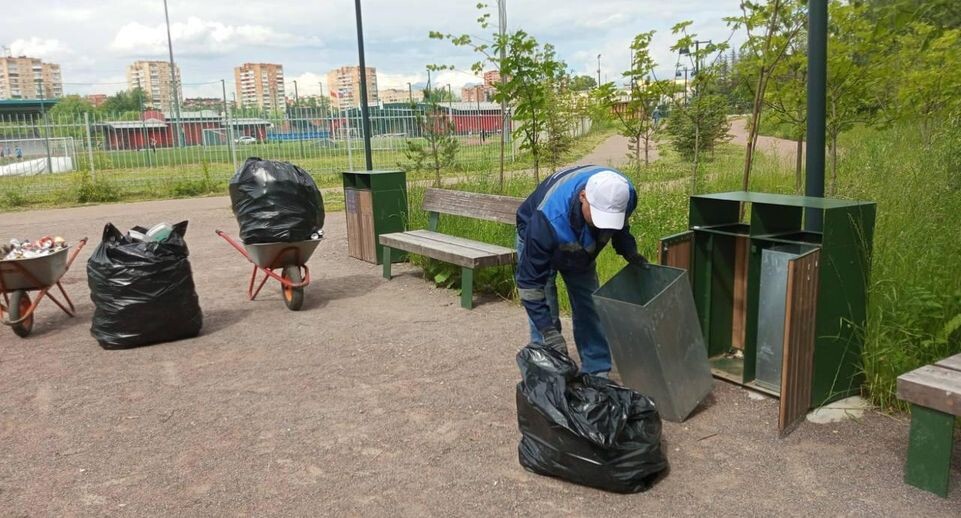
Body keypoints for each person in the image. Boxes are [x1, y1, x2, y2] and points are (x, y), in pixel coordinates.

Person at [515, 165, 648, 377]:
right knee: (545, 307)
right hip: (541, 237)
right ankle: (549, 374)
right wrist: (548, 331)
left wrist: (628, 250)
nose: (600, 224)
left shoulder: (625, 193)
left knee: (589, 305)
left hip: (581, 249)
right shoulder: (545, 221)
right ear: (583, 197)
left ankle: (597, 372)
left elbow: (620, 226)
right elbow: (530, 286)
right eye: (596, 215)